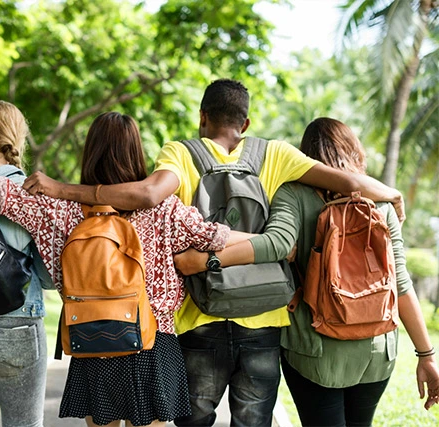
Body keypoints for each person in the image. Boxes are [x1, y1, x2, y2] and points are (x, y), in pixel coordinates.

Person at [20, 79, 406, 426]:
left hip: (200, 314)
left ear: (202, 117)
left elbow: (149, 195)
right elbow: (352, 181)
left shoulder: (181, 153)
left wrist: (64, 188)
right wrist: (391, 192)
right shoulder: (277, 154)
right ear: (246, 123)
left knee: (195, 420)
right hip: (263, 317)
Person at [0, 111, 232, 427]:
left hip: (94, 338)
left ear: (90, 152)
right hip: (153, 342)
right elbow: (216, 237)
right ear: (137, 152)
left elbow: (3, 194)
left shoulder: (62, 209)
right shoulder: (165, 208)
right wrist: (271, 242)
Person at [174, 117, 439, 426]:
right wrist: (426, 355)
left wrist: (207, 261)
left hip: (313, 351)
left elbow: (276, 244)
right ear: (355, 151)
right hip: (376, 350)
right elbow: (401, 285)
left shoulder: (294, 194)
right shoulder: (381, 203)